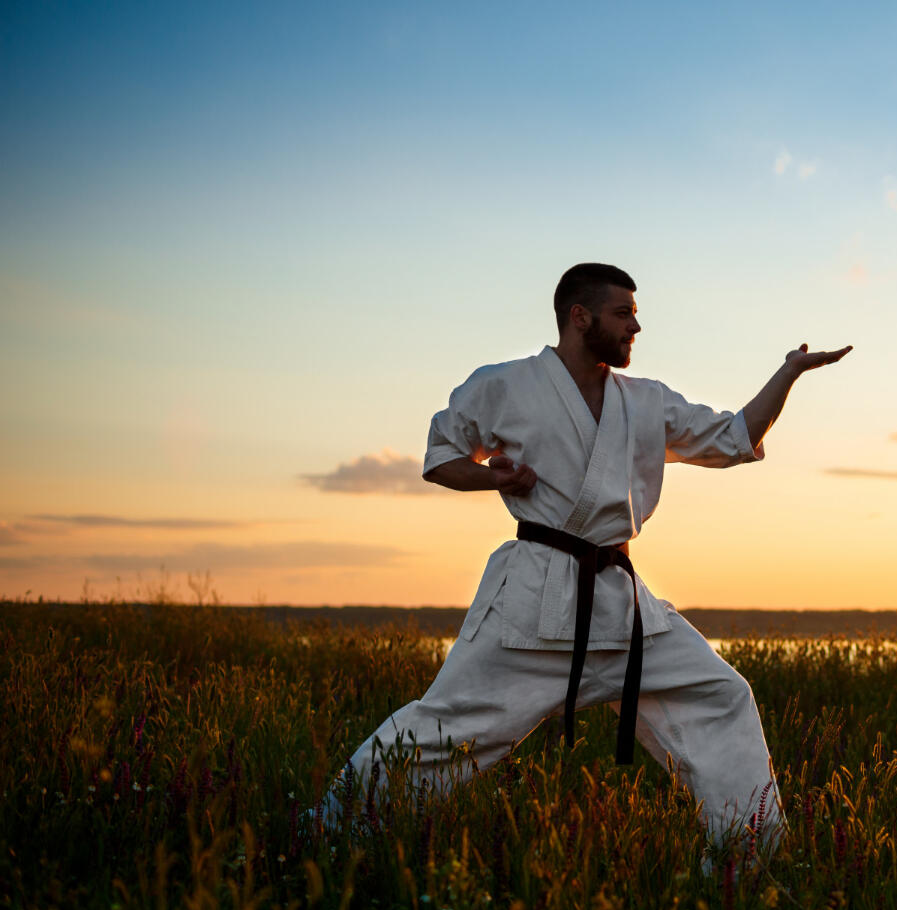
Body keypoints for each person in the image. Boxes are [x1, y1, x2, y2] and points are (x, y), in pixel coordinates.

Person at [320, 262, 850, 854]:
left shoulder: (646, 402)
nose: (635, 327)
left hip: (622, 610)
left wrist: (788, 372)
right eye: (624, 313)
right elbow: (442, 455)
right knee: (447, 726)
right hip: (534, 603)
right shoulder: (504, 385)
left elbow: (733, 437)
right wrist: (488, 476)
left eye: (635, 314)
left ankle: (748, 857)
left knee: (721, 697)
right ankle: (334, 829)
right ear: (580, 316)